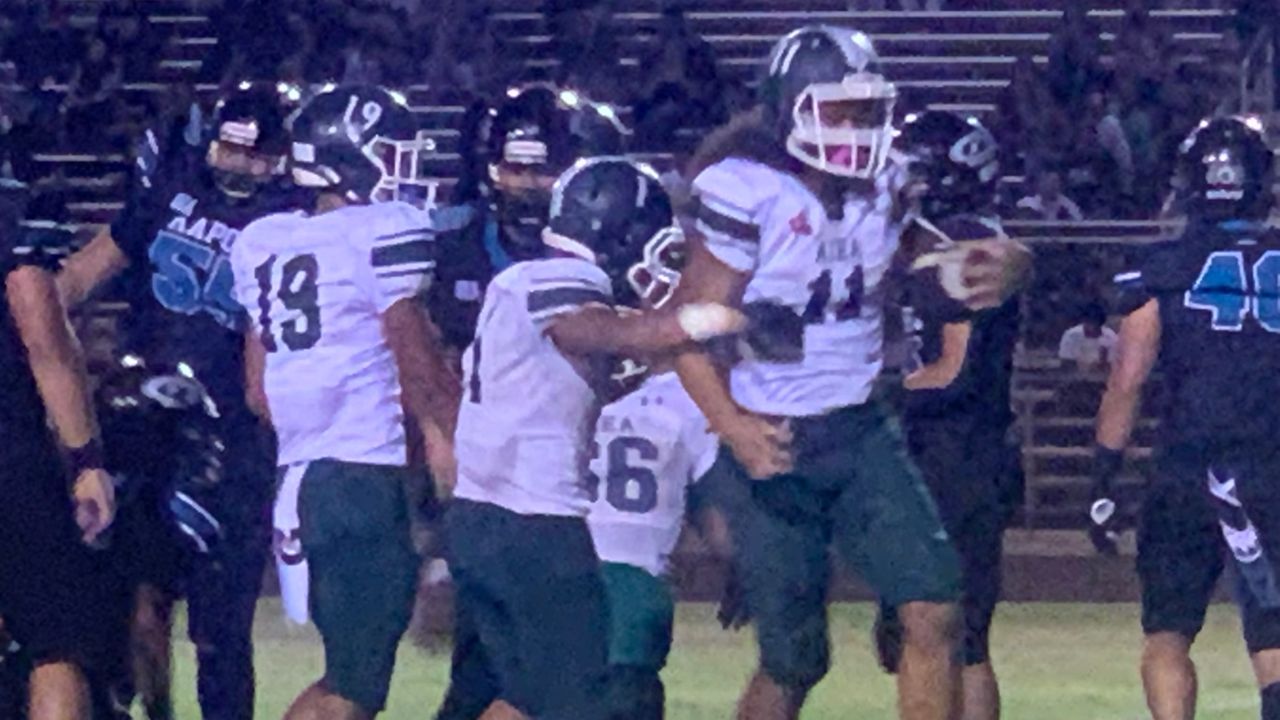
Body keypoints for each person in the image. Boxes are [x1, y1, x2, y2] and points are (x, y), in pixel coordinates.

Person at [670, 25, 1030, 720]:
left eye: (867, 111)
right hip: (771, 440)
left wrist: (1011, 261)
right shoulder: (747, 190)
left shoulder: (885, 185)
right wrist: (733, 428)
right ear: (789, 109)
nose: (858, 128)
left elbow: (936, 260)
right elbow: (684, 331)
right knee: (795, 660)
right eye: (840, 110)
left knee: (935, 609)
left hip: (862, 431)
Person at [437, 157, 746, 720]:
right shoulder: (563, 281)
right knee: (579, 701)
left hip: (485, 516)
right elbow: (589, 328)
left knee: (525, 696)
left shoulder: (519, 282)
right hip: (532, 523)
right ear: (620, 233)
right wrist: (704, 321)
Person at [55, 84, 296, 720]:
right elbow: (82, 274)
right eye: (231, 150)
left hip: (234, 438)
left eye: (255, 155)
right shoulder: (168, 191)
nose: (240, 166)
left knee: (220, 634)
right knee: (123, 610)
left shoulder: (294, 224)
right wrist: (31, 324)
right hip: (142, 422)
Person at [230, 84, 453, 720]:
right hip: (361, 477)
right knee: (353, 685)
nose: (402, 166)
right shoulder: (383, 230)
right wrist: (444, 439)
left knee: (352, 675)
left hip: (302, 477)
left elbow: (258, 390)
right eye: (388, 151)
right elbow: (416, 362)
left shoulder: (266, 241)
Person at [1091, 115, 1280, 720]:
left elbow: (1128, 380)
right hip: (1270, 460)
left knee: (1167, 633)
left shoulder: (1161, 268)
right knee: (1274, 632)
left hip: (1185, 467)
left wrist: (1103, 477)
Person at [874, 111, 1022, 720]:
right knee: (940, 635)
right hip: (957, 451)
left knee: (954, 637)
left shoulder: (964, 247)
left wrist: (876, 396)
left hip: (957, 453)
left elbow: (954, 370)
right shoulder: (946, 239)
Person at [585, 228, 720, 720]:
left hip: (554, 576)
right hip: (636, 589)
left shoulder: (564, 389)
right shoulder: (693, 402)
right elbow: (722, 524)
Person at [0, 178, 121, 720]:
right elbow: (44, 337)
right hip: (11, 459)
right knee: (56, 644)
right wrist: (85, 461)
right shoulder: (10, 217)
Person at [428, 83, 626, 356]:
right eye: (517, 169)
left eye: (545, 170)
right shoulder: (449, 238)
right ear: (493, 168)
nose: (529, 183)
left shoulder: (611, 245)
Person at [1057, 302, 1116, 371]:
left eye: (1095, 321)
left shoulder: (1110, 337)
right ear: (1083, 320)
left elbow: (1112, 364)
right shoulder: (1071, 336)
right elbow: (1065, 361)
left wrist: (1103, 360)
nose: (1091, 326)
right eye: (1088, 321)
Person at [1015, 170, 1085, 221]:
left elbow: (1078, 221)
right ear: (1040, 183)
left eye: (1055, 182)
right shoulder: (1027, 202)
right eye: (1049, 181)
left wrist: (1064, 215)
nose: (1052, 185)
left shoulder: (1067, 205)